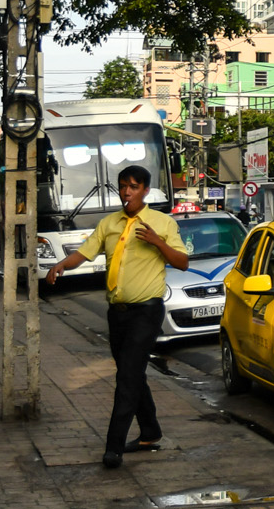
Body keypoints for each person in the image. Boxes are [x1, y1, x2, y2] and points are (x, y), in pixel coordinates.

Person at [43, 166, 189, 469]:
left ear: (146, 190)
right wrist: (61, 265)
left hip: (147, 311)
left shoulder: (162, 223)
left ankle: (113, 448)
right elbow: (84, 253)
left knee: (126, 378)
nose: (127, 192)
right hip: (117, 314)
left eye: (134, 187)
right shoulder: (109, 224)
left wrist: (157, 242)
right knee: (131, 373)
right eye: (123, 186)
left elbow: (183, 262)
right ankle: (150, 432)